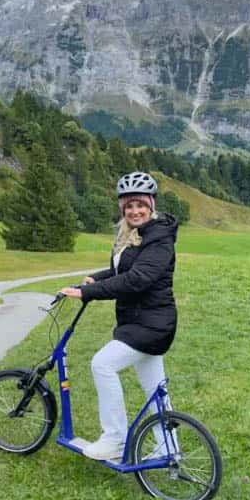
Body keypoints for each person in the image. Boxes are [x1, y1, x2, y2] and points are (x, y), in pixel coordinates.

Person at [59, 171, 178, 460]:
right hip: (144, 321)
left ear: (151, 205)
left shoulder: (159, 239)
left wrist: (89, 293)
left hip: (149, 325)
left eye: (140, 205)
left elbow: (137, 279)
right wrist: (94, 279)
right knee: (155, 389)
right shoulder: (137, 235)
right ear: (122, 209)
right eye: (129, 206)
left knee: (102, 364)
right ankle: (170, 449)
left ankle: (114, 437)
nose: (135, 211)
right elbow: (121, 272)